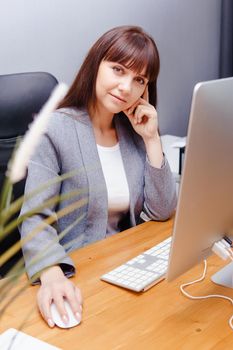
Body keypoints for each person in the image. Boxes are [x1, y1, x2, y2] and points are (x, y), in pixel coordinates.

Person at [19, 25, 177, 328]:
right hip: (79, 273)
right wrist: (51, 275)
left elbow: (162, 209)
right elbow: (35, 218)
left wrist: (152, 139)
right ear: (96, 64)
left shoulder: (133, 132)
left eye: (139, 80)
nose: (126, 87)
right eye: (118, 70)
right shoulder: (54, 129)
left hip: (126, 268)